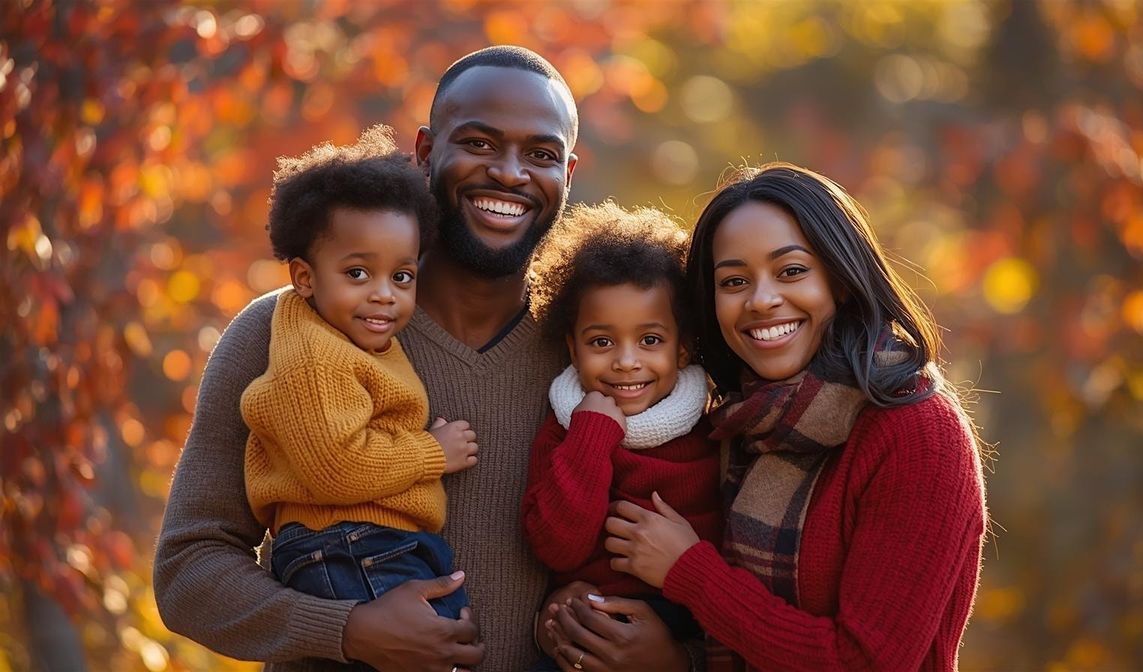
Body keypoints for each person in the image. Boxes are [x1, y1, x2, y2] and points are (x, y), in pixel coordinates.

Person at [154, 46, 692, 672]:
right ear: (426, 150)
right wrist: (345, 629)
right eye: (481, 143)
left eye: (540, 155)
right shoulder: (288, 329)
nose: (511, 174)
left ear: (568, 175)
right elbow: (188, 569)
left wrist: (673, 656)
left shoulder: (603, 359)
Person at [561, 163, 987, 670]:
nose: (761, 301)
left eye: (791, 271)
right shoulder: (739, 425)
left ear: (841, 279)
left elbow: (867, 662)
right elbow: (735, 636)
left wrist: (692, 572)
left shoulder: (917, 431)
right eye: (735, 280)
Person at [240, 127, 477, 652]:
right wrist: (430, 453)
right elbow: (334, 467)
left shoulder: (362, 343)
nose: (383, 295)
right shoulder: (312, 355)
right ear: (304, 278)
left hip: (372, 542)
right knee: (430, 651)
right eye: (357, 272)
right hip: (345, 544)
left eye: (402, 277)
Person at [520, 202, 722, 671]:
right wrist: (592, 435)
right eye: (601, 342)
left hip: (681, 629)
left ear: (684, 347)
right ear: (572, 346)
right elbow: (556, 547)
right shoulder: (566, 427)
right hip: (584, 629)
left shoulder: (711, 428)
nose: (626, 361)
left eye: (650, 340)